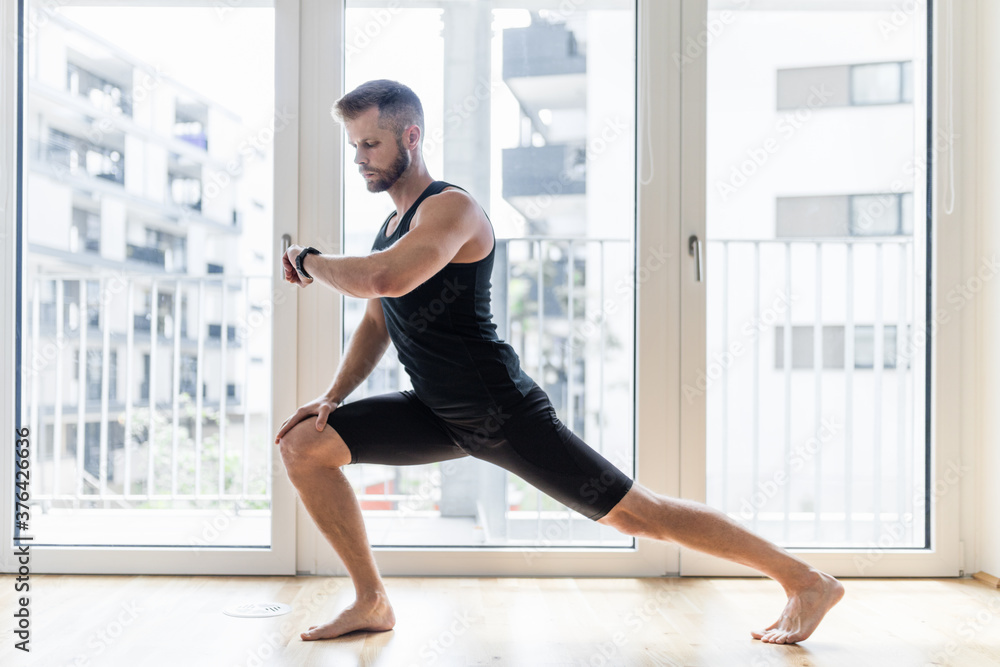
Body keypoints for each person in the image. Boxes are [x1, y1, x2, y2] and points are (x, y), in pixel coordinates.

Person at [273, 79, 844, 645]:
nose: (359, 159)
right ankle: (372, 600)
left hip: (500, 411)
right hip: (436, 412)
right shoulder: (391, 227)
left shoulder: (451, 210)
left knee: (638, 514)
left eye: (370, 144)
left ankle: (805, 581)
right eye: (353, 146)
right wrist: (334, 395)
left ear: (411, 137)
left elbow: (383, 278)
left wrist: (308, 259)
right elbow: (378, 318)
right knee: (304, 443)